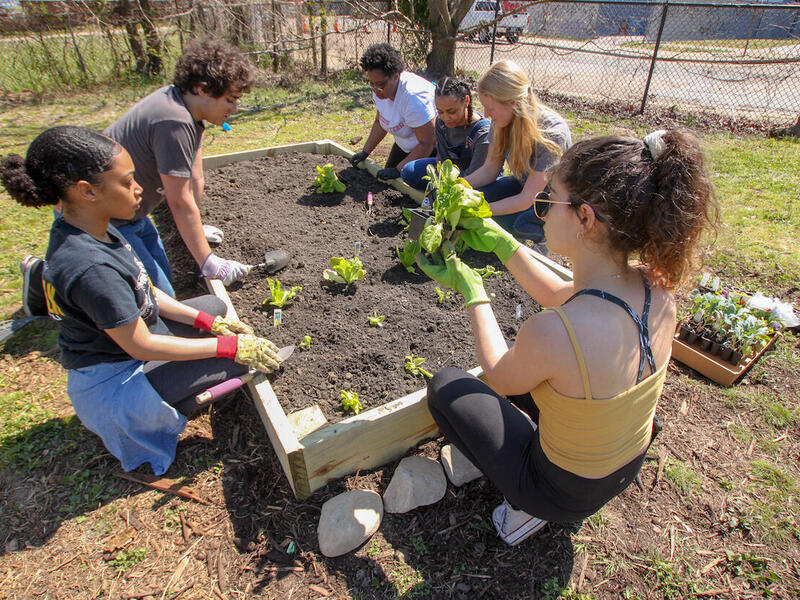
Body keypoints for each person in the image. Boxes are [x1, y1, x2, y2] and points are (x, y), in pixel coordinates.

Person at [417, 129, 717, 545]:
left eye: (547, 201)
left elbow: (501, 376)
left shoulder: (556, 331)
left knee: (447, 387)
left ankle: (525, 509)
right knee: (559, 382)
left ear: (585, 218)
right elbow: (561, 294)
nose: (541, 212)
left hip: (561, 493)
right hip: (626, 461)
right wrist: (501, 242)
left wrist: (472, 290)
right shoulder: (656, 287)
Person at [1, 126, 285, 474]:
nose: (140, 189)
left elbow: (144, 288)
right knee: (237, 363)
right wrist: (227, 348)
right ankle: (157, 409)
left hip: (129, 345)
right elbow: (142, 345)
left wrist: (209, 324)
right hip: (115, 382)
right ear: (87, 191)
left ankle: (186, 371)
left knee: (213, 308)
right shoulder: (88, 266)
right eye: (127, 181)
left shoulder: (97, 225)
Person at [464, 60, 571, 244]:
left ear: (513, 103)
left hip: (551, 200)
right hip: (524, 186)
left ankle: (546, 239)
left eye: (490, 108)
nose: (486, 115)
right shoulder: (500, 122)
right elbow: (490, 168)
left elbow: (528, 198)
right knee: (477, 197)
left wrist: (481, 210)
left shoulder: (551, 133)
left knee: (518, 224)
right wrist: (458, 185)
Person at [349, 43, 436, 181]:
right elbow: (380, 121)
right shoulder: (381, 91)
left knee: (413, 190)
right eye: (371, 83)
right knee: (384, 182)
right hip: (405, 145)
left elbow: (427, 142)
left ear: (396, 76)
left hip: (431, 151)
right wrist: (365, 151)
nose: (375, 89)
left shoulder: (413, 98)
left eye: (380, 84)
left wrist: (398, 169)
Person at [400, 75, 491, 191]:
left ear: (466, 101)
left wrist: (448, 187)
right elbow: (443, 161)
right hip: (452, 172)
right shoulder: (441, 123)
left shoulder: (482, 132)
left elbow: (477, 173)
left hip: (476, 177)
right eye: (440, 111)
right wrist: (443, 182)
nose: (446, 117)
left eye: (451, 111)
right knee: (409, 171)